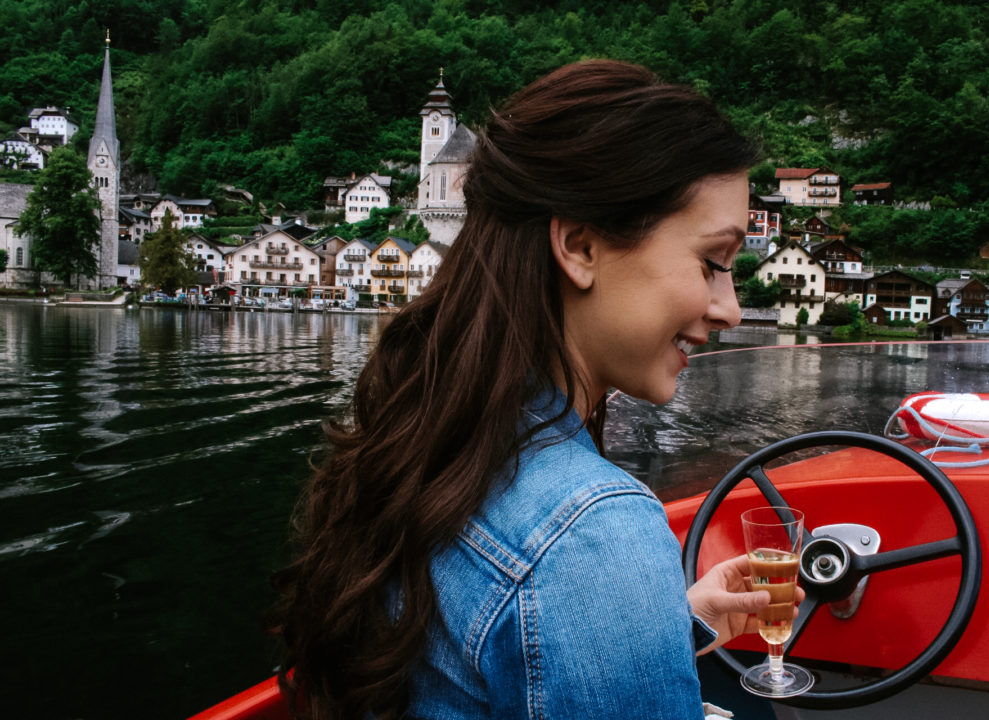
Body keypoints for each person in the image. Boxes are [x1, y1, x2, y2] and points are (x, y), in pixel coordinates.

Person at [270, 59, 784, 719]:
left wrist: (665, 627)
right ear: (578, 245)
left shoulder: (429, 441)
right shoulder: (594, 532)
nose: (732, 308)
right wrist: (617, 591)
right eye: (713, 263)